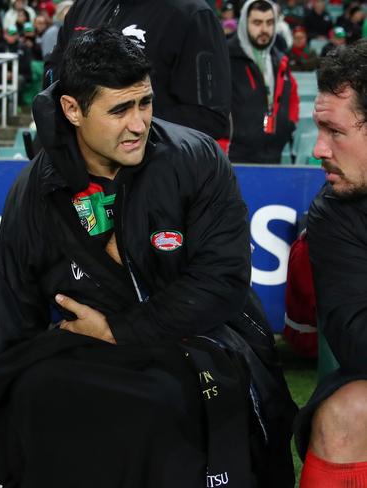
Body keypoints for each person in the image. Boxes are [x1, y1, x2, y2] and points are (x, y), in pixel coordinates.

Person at [0, 27, 296, 488]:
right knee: (34, 392)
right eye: (120, 109)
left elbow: (222, 283)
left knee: (158, 405)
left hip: (203, 343)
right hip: (85, 351)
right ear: (72, 109)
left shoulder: (198, 159)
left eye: (145, 103)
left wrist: (118, 329)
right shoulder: (34, 191)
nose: (139, 124)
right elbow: (9, 313)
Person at [293, 38, 367, 488]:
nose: (319, 149)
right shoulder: (332, 213)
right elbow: (357, 338)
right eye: (319, 129)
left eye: (335, 132)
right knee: (344, 412)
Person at [46, 0, 232, 140]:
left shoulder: (192, 14)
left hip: (150, 177)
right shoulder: (85, 5)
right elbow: (53, 76)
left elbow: (210, 116)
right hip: (76, 173)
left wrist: (125, 124)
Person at [227, 0, 299, 164]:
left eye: (269, 22)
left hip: (273, 154)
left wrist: (288, 126)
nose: (264, 29)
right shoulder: (226, 58)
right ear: (245, 23)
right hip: (235, 157)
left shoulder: (281, 59)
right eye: (257, 23)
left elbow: (293, 96)